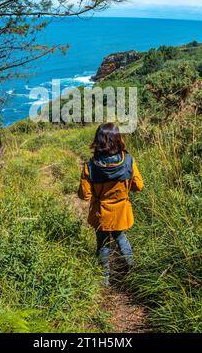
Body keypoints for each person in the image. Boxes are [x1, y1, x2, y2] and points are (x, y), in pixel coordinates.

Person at [78, 122, 144, 286]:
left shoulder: (90, 166)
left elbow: (84, 195)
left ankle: (104, 281)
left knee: (102, 244)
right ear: (117, 139)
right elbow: (139, 186)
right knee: (121, 238)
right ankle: (133, 271)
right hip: (121, 211)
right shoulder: (128, 161)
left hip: (101, 214)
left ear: (98, 141)